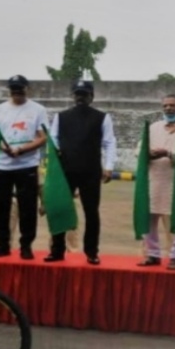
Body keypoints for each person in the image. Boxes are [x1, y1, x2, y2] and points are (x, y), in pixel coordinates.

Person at [45, 80, 116, 265]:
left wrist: (109, 166)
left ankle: (92, 251)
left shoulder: (102, 117)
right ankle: (57, 250)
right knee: (59, 208)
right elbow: (53, 139)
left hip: (90, 171)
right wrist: (57, 155)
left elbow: (109, 142)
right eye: (78, 94)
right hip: (65, 170)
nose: (80, 97)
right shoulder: (61, 117)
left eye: (84, 94)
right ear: (73, 96)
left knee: (91, 212)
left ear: (91, 97)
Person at [0, 75, 48, 260]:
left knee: (28, 207)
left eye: (20, 88)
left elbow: (43, 137)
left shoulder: (38, 110)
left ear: (27, 88)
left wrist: (22, 149)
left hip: (27, 164)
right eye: (14, 88)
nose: (17, 91)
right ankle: (2, 243)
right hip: (3, 165)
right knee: (1, 206)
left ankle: (26, 245)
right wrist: (5, 148)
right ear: (9, 89)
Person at [137, 94, 175, 270]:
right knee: (149, 218)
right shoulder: (153, 128)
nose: (168, 108)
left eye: (173, 105)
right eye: (165, 105)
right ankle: (153, 255)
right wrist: (149, 153)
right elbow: (139, 151)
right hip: (154, 179)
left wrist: (169, 154)